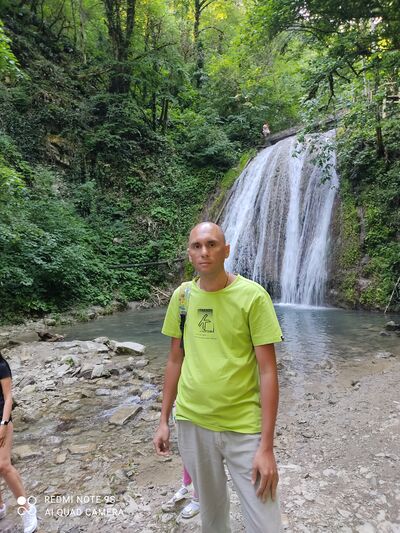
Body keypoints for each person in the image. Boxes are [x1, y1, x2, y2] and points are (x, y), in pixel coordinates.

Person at [153, 221, 283, 533]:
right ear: (189, 254)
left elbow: (268, 371)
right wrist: (163, 420)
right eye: (197, 246)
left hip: (243, 425)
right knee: (211, 518)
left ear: (226, 251)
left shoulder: (253, 297)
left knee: (266, 522)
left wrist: (266, 446)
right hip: (192, 421)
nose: (204, 252)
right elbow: (174, 359)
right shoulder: (182, 298)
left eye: (212, 244)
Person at [0, 352, 38, 533]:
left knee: (4, 466)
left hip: (2, 421)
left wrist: (3, 423)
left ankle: (27, 509)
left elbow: (8, 397)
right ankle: (0, 506)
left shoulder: (1, 365)